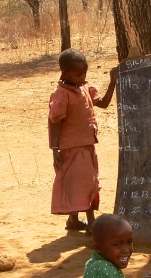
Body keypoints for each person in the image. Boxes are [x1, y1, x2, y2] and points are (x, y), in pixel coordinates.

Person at [49, 48, 118, 234]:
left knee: (79, 183)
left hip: (87, 145)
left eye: (84, 73)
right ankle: (92, 223)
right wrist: (55, 149)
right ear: (65, 73)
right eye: (78, 74)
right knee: (86, 184)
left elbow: (103, 103)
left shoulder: (85, 89)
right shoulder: (61, 94)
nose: (82, 77)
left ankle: (73, 220)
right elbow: (56, 122)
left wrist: (112, 82)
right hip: (72, 147)